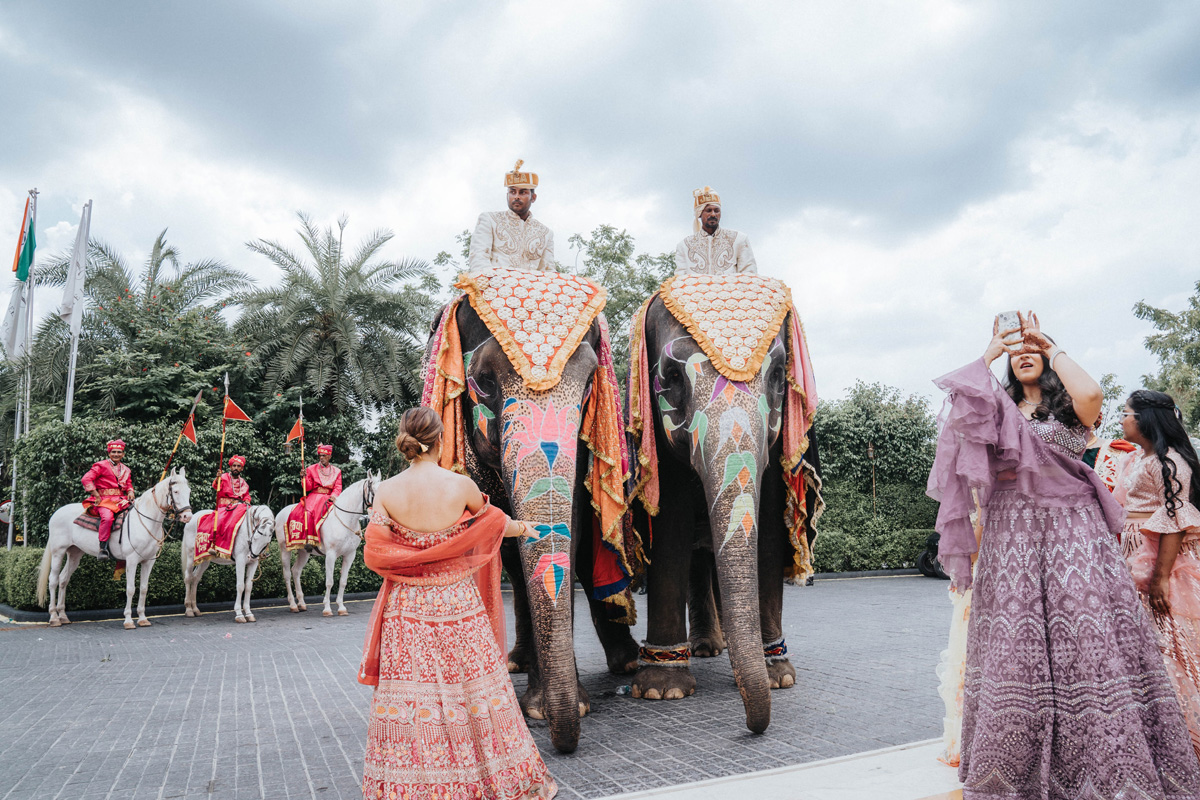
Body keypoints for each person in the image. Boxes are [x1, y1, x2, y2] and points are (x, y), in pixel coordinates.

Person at [927, 312, 1200, 798]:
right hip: (1010, 537)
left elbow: (1092, 393)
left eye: (1032, 350)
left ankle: (1103, 767)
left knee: (1087, 637)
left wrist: (1049, 345)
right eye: (1017, 352)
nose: (1024, 354)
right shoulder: (994, 408)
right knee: (1015, 649)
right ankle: (1015, 768)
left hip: (1074, 534)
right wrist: (993, 350)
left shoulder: (1071, 409)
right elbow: (960, 413)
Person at [358, 407, 556, 800]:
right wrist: (525, 528)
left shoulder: (387, 491)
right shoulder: (460, 485)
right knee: (473, 692)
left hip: (407, 607)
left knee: (415, 698)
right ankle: (489, 780)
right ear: (439, 440)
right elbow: (494, 524)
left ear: (407, 442)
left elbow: (376, 551)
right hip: (458, 605)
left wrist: (412, 556)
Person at [1117, 389, 1200, 759]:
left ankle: (1179, 729)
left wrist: (1161, 578)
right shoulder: (1143, 457)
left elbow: (1176, 522)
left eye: (1126, 414)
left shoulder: (1168, 462)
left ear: (1146, 419)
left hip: (1157, 558)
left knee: (1167, 640)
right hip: (1136, 550)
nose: (1122, 420)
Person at [467, 159, 555, 272]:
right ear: (507, 195)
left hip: (531, 288)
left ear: (533, 198)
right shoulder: (490, 220)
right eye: (512, 192)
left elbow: (548, 271)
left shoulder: (545, 233)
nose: (516, 196)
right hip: (495, 285)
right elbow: (478, 259)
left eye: (522, 192)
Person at [673, 186, 757, 275]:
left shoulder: (739, 239)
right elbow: (680, 279)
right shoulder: (684, 246)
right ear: (700, 214)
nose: (713, 214)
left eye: (716, 211)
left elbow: (750, 274)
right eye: (708, 210)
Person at [81, 439, 135, 560]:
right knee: (107, 517)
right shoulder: (101, 465)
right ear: (109, 453)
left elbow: (129, 484)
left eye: (119, 452)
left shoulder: (126, 469)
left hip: (122, 500)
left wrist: (131, 491)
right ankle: (103, 548)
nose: (116, 454)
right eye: (113, 452)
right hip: (105, 501)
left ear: (123, 454)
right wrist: (96, 495)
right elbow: (86, 479)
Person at [194, 455, 252, 562]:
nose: (235, 468)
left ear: (241, 468)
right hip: (224, 507)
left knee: (253, 519)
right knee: (219, 519)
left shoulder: (243, 482)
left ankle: (254, 547)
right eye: (234, 465)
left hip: (240, 506)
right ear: (230, 467)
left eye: (238, 466)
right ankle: (213, 544)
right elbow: (216, 486)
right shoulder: (224, 477)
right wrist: (218, 478)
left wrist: (247, 500)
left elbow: (246, 495)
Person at [285, 444, 342, 553]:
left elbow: (338, 486)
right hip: (315, 496)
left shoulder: (337, 471)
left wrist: (334, 496)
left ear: (329, 456)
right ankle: (308, 539)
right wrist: (303, 477)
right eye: (320, 455)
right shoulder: (311, 469)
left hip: (330, 497)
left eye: (324, 456)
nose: (321, 458)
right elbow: (308, 487)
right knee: (308, 512)